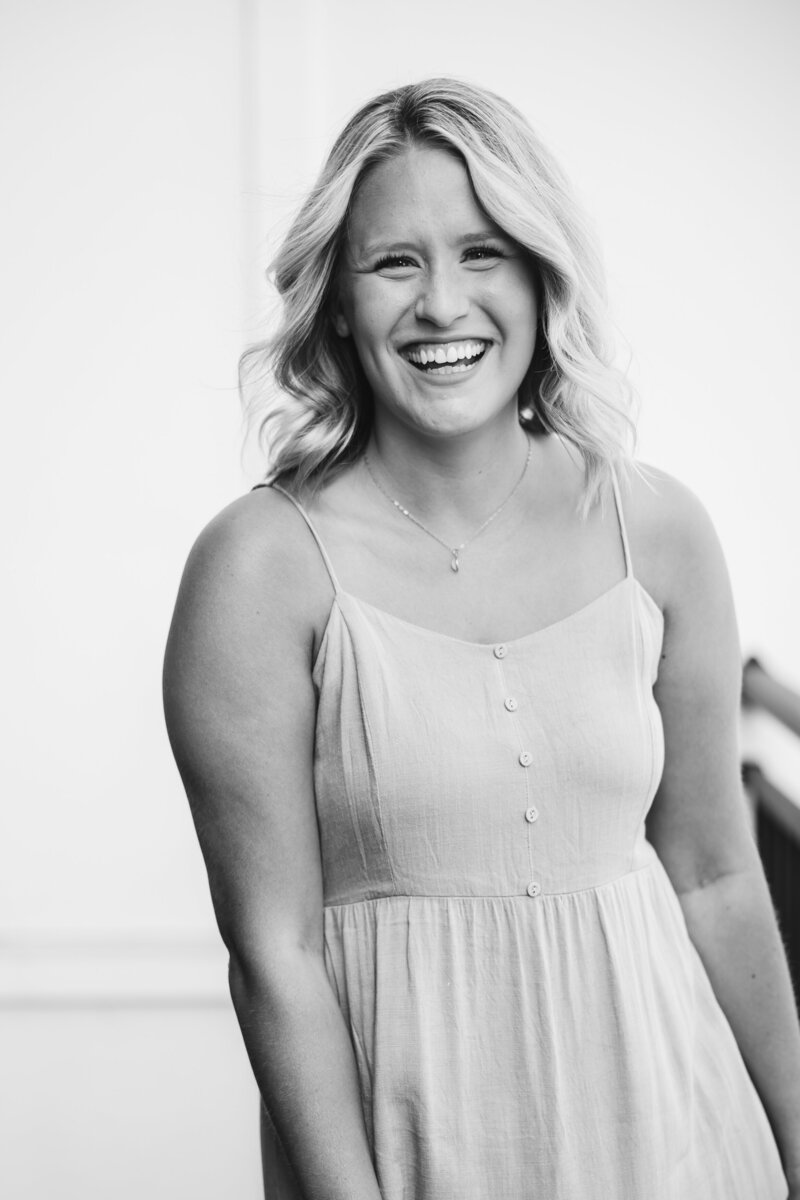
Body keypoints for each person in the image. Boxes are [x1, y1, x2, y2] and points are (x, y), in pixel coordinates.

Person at [162, 78, 800, 1200]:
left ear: (541, 274)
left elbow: (712, 875)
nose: (440, 303)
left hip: (680, 1134)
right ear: (339, 301)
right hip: (419, 1150)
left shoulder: (655, 527)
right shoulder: (259, 568)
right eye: (393, 262)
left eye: (483, 252)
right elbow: (277, 958)